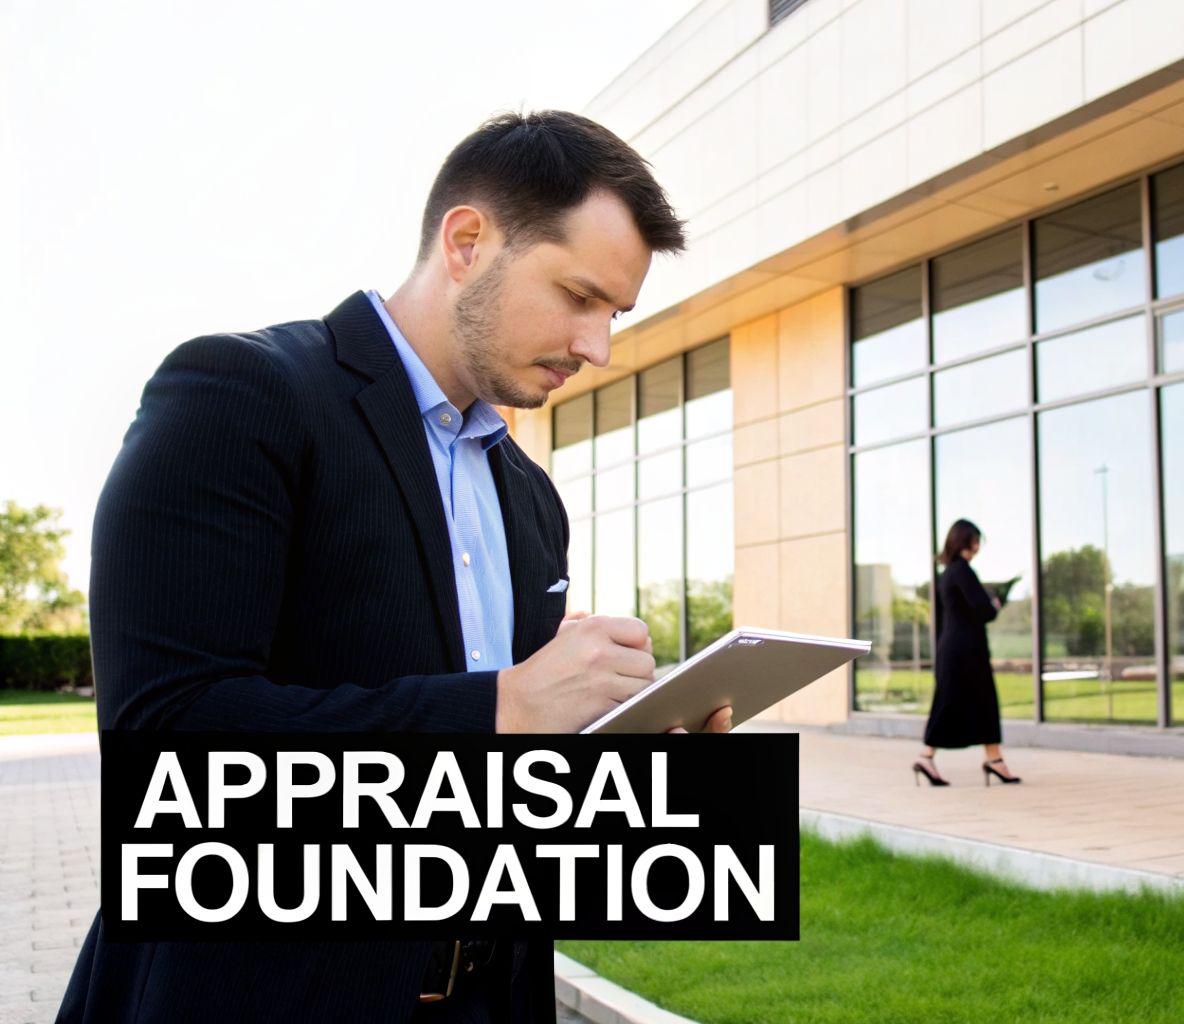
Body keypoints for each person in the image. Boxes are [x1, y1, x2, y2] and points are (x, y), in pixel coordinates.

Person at [60, 111, 730, 1024]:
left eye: (614, 314)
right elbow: (167, 734)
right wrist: (505, 706)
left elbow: (487, 787)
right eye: (578, 296)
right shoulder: (240, 394)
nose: (597, 347)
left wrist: (610, 747)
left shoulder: (532, 499)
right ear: (466, 241)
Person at [916, 519, 1021, 786]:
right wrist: (995, 602)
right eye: (975, 541)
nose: (977, 547)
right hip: (966, 651)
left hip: (953, 648)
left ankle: (989, 759)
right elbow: (984, 609)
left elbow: (943, 617)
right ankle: (987, 759)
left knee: (957, 702)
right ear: (966, 541)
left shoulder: (946, 574)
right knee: (973, 701)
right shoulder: (962, 571)